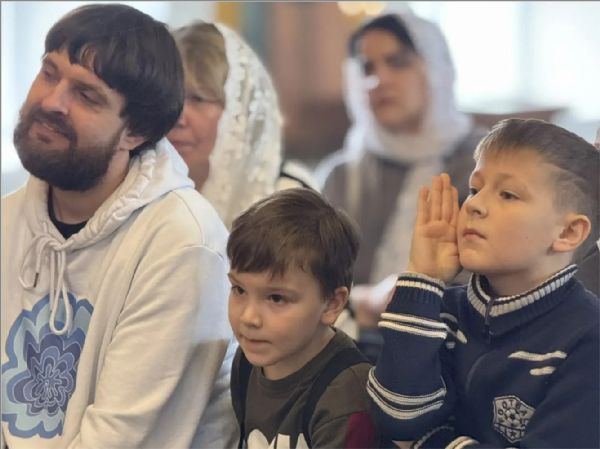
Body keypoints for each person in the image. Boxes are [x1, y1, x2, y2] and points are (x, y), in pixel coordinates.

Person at [1, 5, 237, 448]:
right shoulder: (8, 220)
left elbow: (119, 440)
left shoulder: (182, 245)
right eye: (49, 73)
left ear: (137, 132)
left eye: (87, 96)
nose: (52, 102)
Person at [368, 119, 599, 448]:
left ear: (567, 232)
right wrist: (422, 278)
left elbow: (411, 439)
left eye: (507, 194)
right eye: (476, 189)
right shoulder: (442, 308)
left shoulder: (587, 337)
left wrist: (428, 442)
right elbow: (398, 418)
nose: (474, 204)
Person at [315, 12, 487, 328]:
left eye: (397, 62)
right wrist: (363, 301)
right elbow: (309, 279)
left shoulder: (484, 165)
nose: (379, 80)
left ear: (435, 70)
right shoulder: (342, 175)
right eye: (367, 68)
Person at [226, 188, 377, 448]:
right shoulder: (247, 362)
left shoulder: (344, 397)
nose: (249, 317)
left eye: (276, 298)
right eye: (239, 290)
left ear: (332, 304)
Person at [166, 21, 317, 230]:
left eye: (198, 99)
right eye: (170, 98)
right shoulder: (144, 190)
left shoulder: (288, 199)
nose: (178, 118)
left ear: (239, 112)